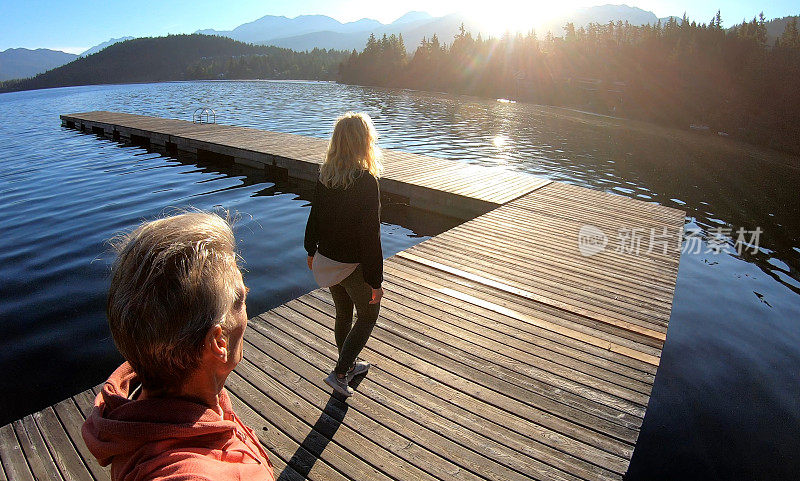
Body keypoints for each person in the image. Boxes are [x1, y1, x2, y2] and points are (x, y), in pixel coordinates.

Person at [82, 212, 275, 481]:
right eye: (240, 300)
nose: (249, 294)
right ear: (219, 343)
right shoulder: (193, 475)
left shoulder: (139, 410)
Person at [304, 111, 384, 398]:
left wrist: (310, 250)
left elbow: (315, 217)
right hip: (352, 265)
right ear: (364, 142)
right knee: (368, 315)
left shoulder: (326, 176)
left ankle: (346, 364)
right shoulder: (365, 182)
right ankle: (340, 373)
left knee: (343, 312)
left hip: (327, 260)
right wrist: (376, 280)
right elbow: (370, 235)